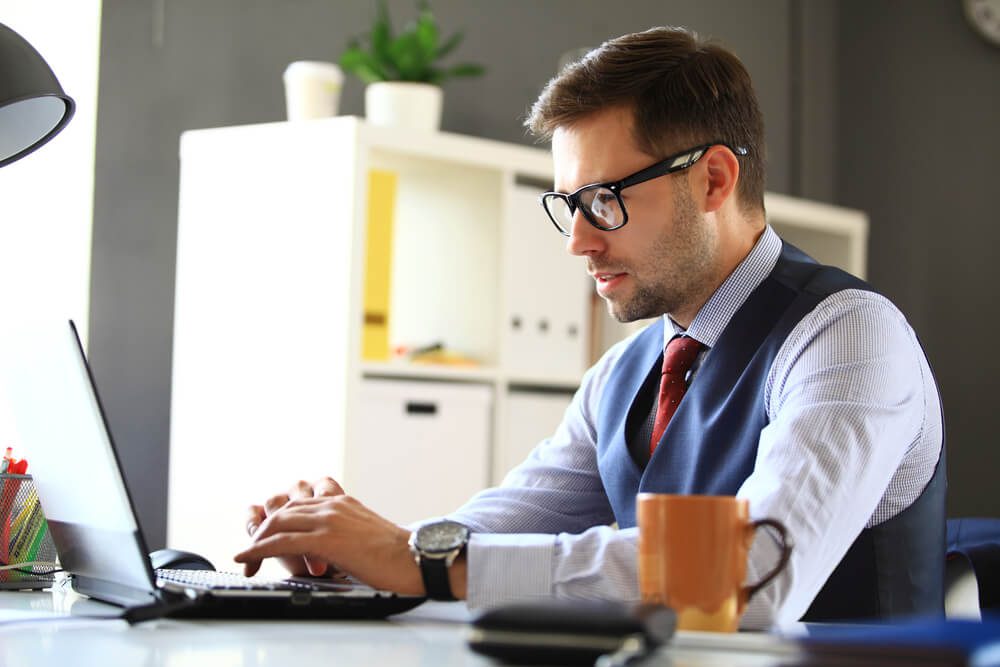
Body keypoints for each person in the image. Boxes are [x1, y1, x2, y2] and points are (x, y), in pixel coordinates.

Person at [234, 26, 944, 629]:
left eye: (603, 200)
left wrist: (423, 560)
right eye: (568, 203)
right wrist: (360, 552)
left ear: (715, 180)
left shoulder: (850, 336)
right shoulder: (625, 374)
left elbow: (754, 568)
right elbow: (497, 531)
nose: (577, 240)